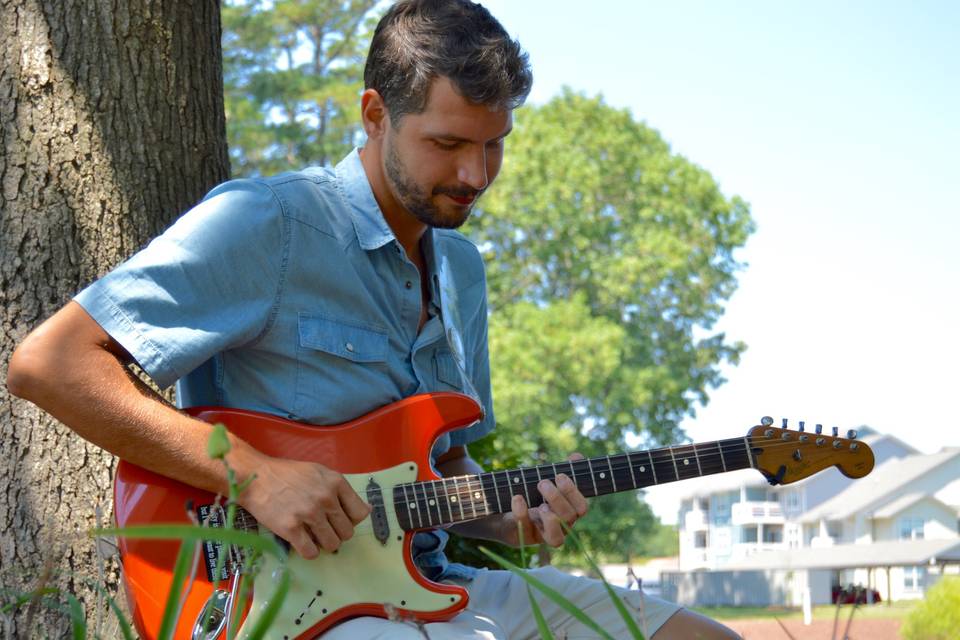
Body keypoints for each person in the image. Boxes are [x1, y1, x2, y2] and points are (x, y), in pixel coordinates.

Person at [7, 1, 739, 637]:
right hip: (285, 605)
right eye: (449, 144)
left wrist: (515, 518)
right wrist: (255, 474)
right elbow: (49, 364)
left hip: (437, 589)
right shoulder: (272, 223)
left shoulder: (462, 272)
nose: (475, 176)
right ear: (374, 114)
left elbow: (443, 469)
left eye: (494, 144)